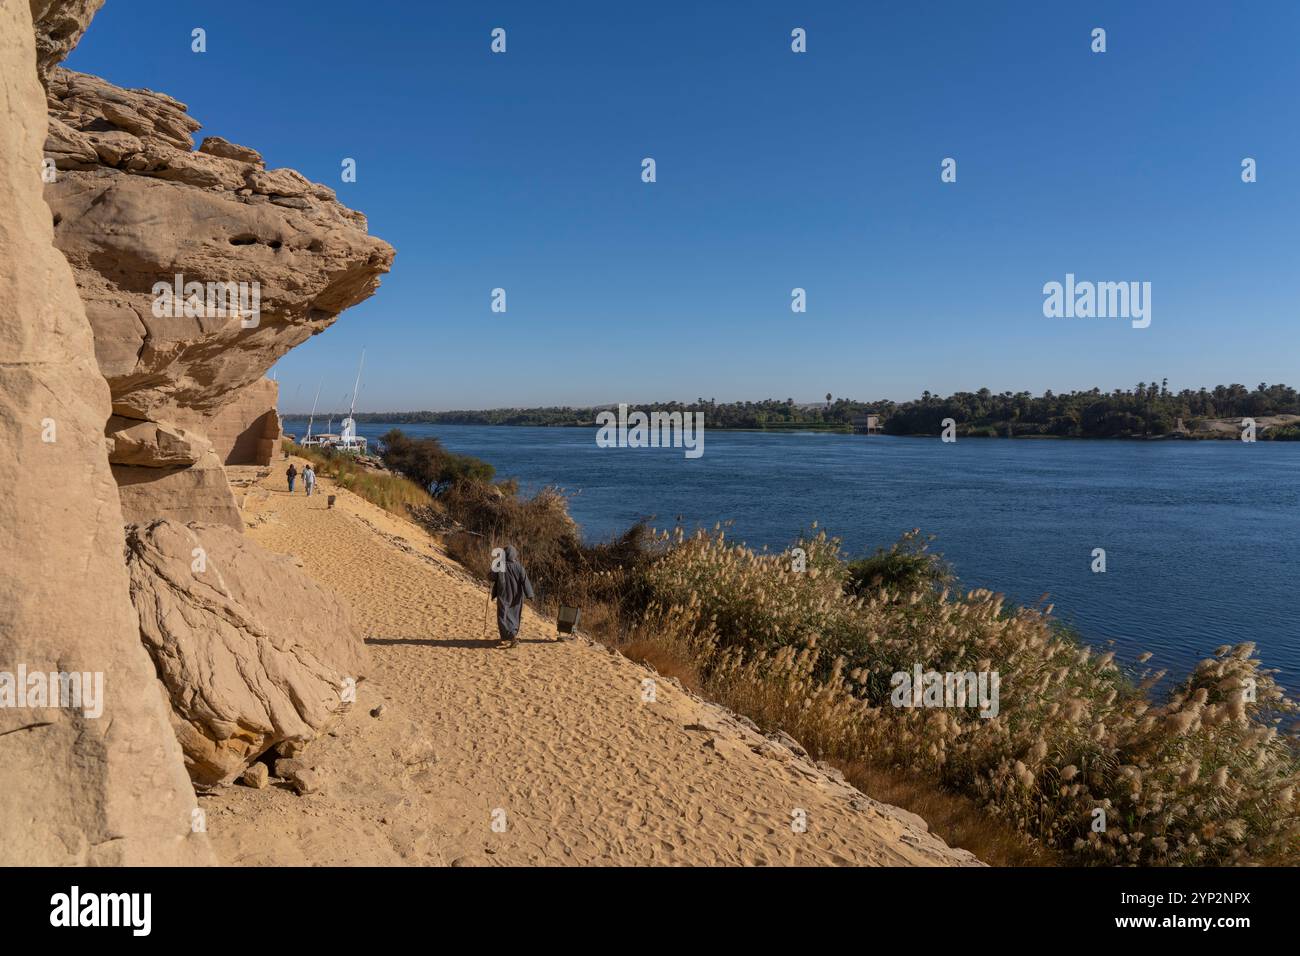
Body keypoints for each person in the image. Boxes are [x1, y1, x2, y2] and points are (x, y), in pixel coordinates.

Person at [490, 545, 534, 649]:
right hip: (517, 596)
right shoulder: (519, 567)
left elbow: (491, 577)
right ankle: (509, 637)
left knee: (503, 616)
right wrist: (530, 594)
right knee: (514, 616)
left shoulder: (500, 565)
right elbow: (525, 581)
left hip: (504, 595)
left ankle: (511, 637)